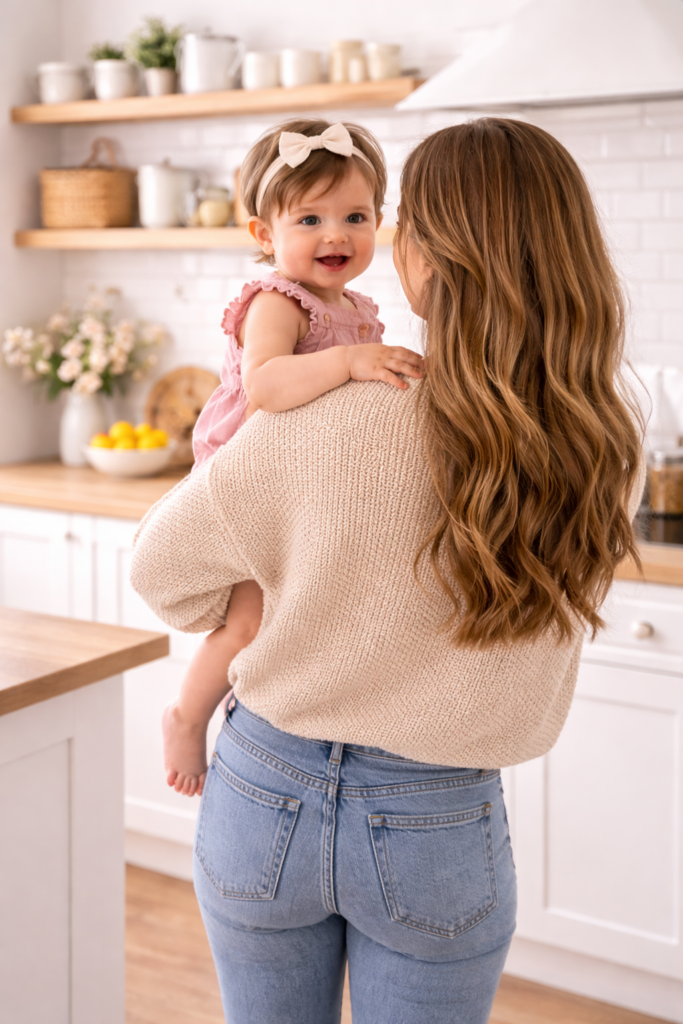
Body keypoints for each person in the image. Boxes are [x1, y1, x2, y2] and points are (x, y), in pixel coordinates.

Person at [131, 118, 644, 1024]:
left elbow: (161, 575)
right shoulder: (603, 438)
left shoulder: (329, 411)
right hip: (440, 818)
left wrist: (276, 579)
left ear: (423, 252)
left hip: (262, 789)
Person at [162, 119, 424, 797]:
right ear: (262, 235)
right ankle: (186, 717)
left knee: (297, 613)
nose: (335, 234)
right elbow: (268, 386)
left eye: (355, 216)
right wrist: (349, 360)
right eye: (309, 218)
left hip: (304, 489)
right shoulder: (276, 302)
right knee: (247, 621)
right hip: (248, 485)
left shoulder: (358, 306)